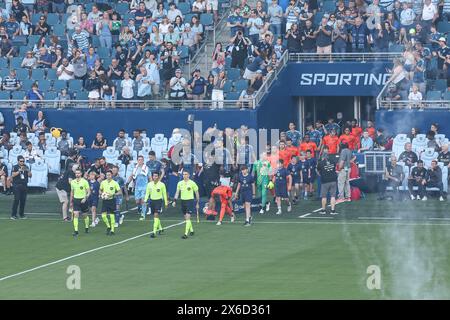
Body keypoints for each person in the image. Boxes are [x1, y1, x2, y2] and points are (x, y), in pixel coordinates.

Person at [172, 170, 200, 239]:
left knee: (187, 217)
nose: (184, 175)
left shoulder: (192, 183)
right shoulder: (179, 183)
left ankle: (185, 234)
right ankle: (192, 230)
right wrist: (174, 201)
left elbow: (197, 193)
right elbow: (177, 192)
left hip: (190, 201)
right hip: (183, 201)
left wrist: (197, 203)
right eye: (183, 174)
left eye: (186, 174)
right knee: (186, 218)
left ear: (189, 175)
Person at [144, 171, 168, 238]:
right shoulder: (149, 184)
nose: (155, 177)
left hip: (159, 201)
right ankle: (160, 228)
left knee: (156, 215)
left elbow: (164, 194)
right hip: (152, 201)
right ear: (152, 177)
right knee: (156, 217)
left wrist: (166, 202)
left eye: (156, 176)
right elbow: (147, 193)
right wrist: (145, 200)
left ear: (158, 177)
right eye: (154, 176)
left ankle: (154, 232)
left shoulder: (162, 184)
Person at [99, 170, 122, 235]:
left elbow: (119, 192)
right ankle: (108, 226)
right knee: (103, 216)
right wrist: (102, 194)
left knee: (112, 216)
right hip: (105, 201)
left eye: (109, 175)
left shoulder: (115, 183)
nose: (108, 176)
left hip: (112, 200)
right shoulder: (103, 182)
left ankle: (112, 230)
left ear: (111, 175)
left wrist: (113, 194)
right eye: (107, 175)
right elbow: (100, 190)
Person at [316, 146, 338, 214]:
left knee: (324, 196)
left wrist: (321, 175)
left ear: (323, 157)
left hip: (325, 181)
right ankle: (333, 210)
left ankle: (323, 210)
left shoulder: (320, 163)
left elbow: (317, 170)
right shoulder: (333, 161)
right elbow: (335, 169)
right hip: (333, 180)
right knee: (333, 196)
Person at [69, 168, 91, 236]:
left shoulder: (85, 181)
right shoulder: (72, 182)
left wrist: (85, 198)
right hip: (76, 200)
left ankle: (87, 227)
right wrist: (71, 201)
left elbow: (89, 192)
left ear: (81, 174)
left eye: (78, 173)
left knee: (85, 215)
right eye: (76, 173)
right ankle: (76, 231)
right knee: (76, 214)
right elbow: (72, 192)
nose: (77, 174)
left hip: (83, 200)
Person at [127, 155, 149, 220]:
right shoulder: (135, 169)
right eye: (139, 160)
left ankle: (143, 214)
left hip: (144, 186)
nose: (140, 161)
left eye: (141, 160)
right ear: (137, 161)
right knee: (137, 201)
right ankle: (139, 207)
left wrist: (151, 185)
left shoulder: (146, 168)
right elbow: (131, 176)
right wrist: (127, 183)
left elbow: (150, 177)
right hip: (137, 187)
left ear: (143, 161)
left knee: (143, 200)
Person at [10, 155, 32, 220]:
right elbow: (13, 175)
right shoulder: (15, 167)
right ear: (18, 161)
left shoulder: (26, 166)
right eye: (21, 161)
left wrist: (28, 171)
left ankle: (21, 214)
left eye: (23, 161)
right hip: (17, 185)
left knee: (23, 200)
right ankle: (13, 215)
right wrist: (19, 171)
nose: (22, 162)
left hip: (24, 185)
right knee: (16, 199)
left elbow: (30, 176)